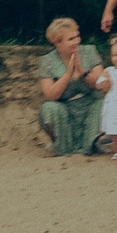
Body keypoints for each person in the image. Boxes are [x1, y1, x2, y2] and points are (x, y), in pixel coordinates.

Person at [35, 16, 105, 157]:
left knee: (104, 103)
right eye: (71, 39)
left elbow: (101, 84)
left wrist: (82, 72)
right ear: (58, 43)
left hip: (90, 102)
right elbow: (50, 95)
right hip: (64, 106)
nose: (77, 41)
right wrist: (68, 75)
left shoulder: (89, 51)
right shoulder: (47, 61)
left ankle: (93, 142)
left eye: (77, 36)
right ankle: (58, 143)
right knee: (49, 108)